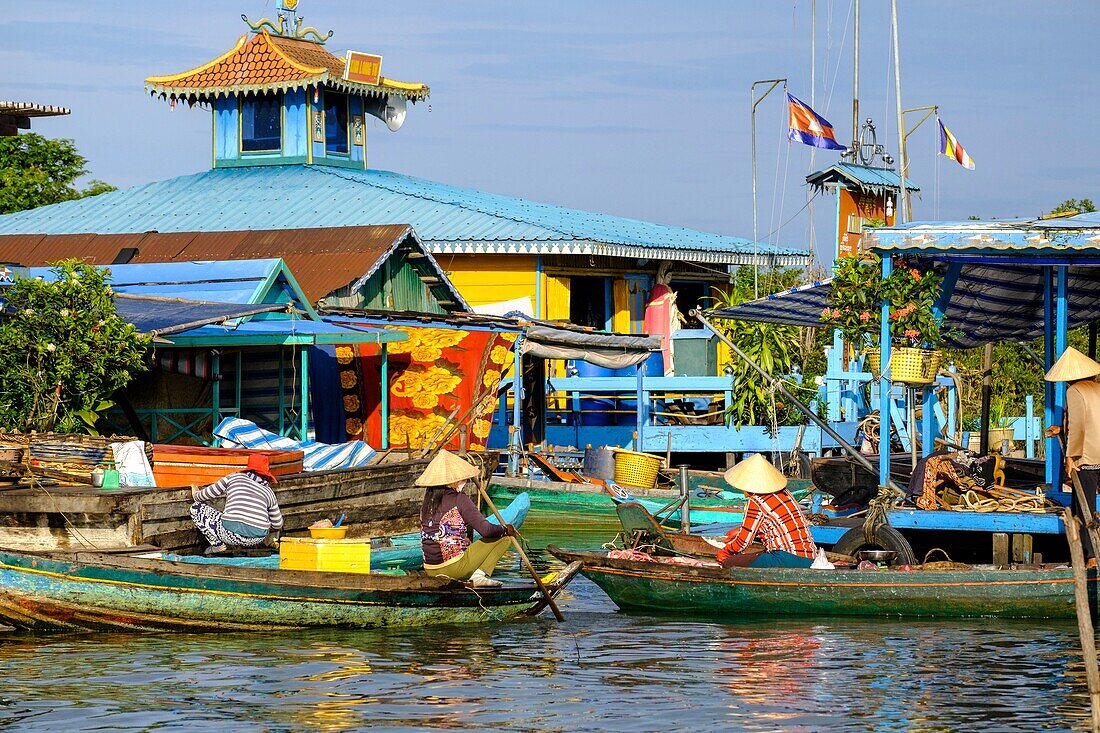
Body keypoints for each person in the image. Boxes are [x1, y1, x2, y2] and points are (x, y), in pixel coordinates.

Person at [418, 450, 516, 586]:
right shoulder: (460, 499)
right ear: (453, 481)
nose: (464, 481)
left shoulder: (428, 501)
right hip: (453, 568)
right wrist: (505, 529)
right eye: (462, 479)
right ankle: (479, 575)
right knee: (505, 538)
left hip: (430, 569)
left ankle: (473, 574)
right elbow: (486, 531)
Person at [1045, 346, 1100, 562]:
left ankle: (1090, 556)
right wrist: (1061, 429)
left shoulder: (1074, 391)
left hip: (1086, 457)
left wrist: (1070, 456)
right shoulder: (1098, 388)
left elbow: (1078, 425)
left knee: (1083, 506)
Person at [715, 453, 818, 569]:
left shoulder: (756, 501)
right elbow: (774, 521)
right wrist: (740, 530)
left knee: (729, 562)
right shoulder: (785, 493)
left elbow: (743, 543)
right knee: (754, 556)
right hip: (810, 557)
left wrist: (725, 552)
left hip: (785, 558)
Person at [190, 453, 284, 555]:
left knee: (196, 508)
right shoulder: (269, 492)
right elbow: (278, 524)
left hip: (230, 534)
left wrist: (195, 494)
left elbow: (205, 495)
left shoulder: (234, 477)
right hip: (257, 539)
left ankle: (217, 546)